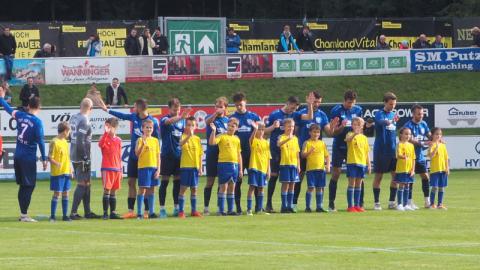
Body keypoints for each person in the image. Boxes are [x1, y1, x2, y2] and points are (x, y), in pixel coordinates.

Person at [103, 99, 160, 219]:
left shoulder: (153, 122)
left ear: (139, 107)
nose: (133, 108)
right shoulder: (134, 117)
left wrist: (158, 164)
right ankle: (131, 210)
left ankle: (147, 210)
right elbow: (122, 115)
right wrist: (107, 110)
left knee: (147, 185)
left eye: (134, 106)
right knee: (131, 182)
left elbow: (157, 141)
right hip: (134, 157)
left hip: (148, 160)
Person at [0, 90, 47, 222]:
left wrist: (1, 99)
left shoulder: (20, 115)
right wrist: (44, 159)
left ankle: (23, 213)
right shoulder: (37, 122)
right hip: (28, 158)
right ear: (39, 107)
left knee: (23, 186)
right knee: (29, 185)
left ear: (28, 106)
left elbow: (8, 109)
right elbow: (41, 143)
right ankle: (24, 215)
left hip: (18, 155)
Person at [293, 91, 337, 211]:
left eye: (318, 102)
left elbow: (329, 132)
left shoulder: (322, 115)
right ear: (308, 99)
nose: (316, 103)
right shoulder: (301, 113)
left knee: (318, 183)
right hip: (303, 152)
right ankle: (294, 204)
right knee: (299, 177)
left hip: (317, 155)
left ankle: (319, 206)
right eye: (314, 101)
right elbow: (294, 131)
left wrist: (333, 127)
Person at [230, 92, 272, 214]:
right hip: (238, 154)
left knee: (256, 183)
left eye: (241, 104)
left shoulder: (254, 116)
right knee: (238, 180)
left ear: (245, 102)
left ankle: (258, 208)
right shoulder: (233, 118)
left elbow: (263, 130)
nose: (239, 107)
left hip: (253, 155)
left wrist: (272, 127)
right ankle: (238, 208)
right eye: (237, 105)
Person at [328, 90, 364, 212]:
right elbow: (333, 132)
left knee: (358, 175)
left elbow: (360, 129)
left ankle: (359, 203)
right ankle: (331, 203)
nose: (351, 105)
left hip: (353, 148)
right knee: (336, 173)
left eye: (353, 103)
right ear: (344, 100)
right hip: (339, 146)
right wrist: (341, 127)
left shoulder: (358, 110)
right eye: (349, 103)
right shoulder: (336, 110)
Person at [265, 96, 299, 213]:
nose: (293, 110)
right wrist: (273, 127)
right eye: (292, 107)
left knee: (290, 181)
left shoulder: (294, 116)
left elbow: (308, 117)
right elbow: (265, 130)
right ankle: (269, 204)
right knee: (274, 176)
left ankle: (288, 205)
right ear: (287, 103)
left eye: (295, 109)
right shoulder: (274, 115)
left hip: (289, 154)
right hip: (276, 150)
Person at [159, 98, 191, 218]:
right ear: (169, 109)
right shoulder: (164, 119)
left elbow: (184, 134)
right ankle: (162, 209)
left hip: (178, 156)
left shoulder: (182, 121)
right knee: (165, 182)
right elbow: (169, 122)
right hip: (167, 155)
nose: (177, 112)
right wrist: (181, 116)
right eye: (174, 110)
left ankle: (176, 208)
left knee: (177, 182)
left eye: (178, 110)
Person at [69, 98, 100, 220]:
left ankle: (87, 211)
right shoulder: (85, 121)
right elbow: (81, 140)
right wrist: (85, 157)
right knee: (82, 183)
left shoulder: (73, 117)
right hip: (82, 155)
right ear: (90, 109)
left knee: (87, 182)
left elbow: (71, 136)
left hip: (74, 154)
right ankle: (73, 213)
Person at [209, 118, 242, 216]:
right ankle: (221, 210)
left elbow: (238, 154)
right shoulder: (222, 136)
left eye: (233, 126)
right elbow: (212, 143)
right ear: (226, 126)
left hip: (234, 165)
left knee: (232, 187)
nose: (230, 128)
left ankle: (230, 210)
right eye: (229, 125)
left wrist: (240, 169)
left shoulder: (237, 139)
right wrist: (214, 131)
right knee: (223, 187)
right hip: (224, 164)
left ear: (236, 128)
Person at [373, 92, 399, 210]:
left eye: (394, 104)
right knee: (379, 176)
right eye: (390, 104)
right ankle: (377, 203)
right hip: (381, 151)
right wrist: (387, 121)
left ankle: (392, 202)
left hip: (392, 151)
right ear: (385, 102)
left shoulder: (394, 114)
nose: (392, 106)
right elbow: (380, 122)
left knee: (396, 177)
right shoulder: (379, 114)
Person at [203, 97, 229, 215]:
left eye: (221, 107)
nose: (218, 109)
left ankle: (220, 207)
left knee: (222, 182)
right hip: (212, 154)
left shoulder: (228, 121)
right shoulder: (210, 117)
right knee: (210, 181)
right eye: (216, 106)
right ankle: (206, 207)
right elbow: (207, 122)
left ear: (225, 108)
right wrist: (215, 114)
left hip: (223, 155)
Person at [403, 105, 431, 209]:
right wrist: (423, 144)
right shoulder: (408, 125)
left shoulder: (424, 123)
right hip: (410, 156)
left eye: (422, 113)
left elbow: (429, 134)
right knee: (410, 178)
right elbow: (409, 139)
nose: (421, 115)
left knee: (425, 176)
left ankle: (427, 201)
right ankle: (409, 202)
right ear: (413, 114)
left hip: (420, 156)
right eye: (419, 114)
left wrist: (435, 139)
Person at [178, 116, 203, 218]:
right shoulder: (183, 136)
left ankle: (194, 211)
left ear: (196, 126)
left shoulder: (197, 139)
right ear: (185, 126)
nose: (190, 127)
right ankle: (181, 212)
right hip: (185, 167)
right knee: (183, 189)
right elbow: (181, 144)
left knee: (194, 189)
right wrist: (189, 136)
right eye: (188, 125)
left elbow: (200, 154)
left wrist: (200, 168)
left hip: (194, 167)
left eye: (192, 125)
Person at [135, 119, 161, 219]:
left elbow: (158, 156)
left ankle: (151, 212)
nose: (149, 129)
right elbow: (137, 154)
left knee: (152, 190)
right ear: (142, 128)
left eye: (150, 127)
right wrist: (143, 144)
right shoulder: (140, 140)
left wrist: (158, 169)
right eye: (147, 127)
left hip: (153, 168)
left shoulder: (155, 141)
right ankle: (139, 213)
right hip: (143, 168)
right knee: (142, 190)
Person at [99, 117, 123, 220]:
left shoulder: (118, 140)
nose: (106, 128)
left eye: (108, 126)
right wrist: (105, 133)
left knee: (114, 191)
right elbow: (100, 145)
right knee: (107, 190)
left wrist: (121, 169)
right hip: (107, 168)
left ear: (114, 127)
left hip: (116, 169)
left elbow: (119, 155)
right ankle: (105, 213)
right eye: (106, 126)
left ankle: (113, 212)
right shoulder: (104, 138)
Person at [301, 124, 330, 212]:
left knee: (320, 187)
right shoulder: (307, 143)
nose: (316, 134)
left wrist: (328, 165)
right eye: (314, 132)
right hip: (311, 170)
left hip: (321, 169)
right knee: (311, 187)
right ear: (310, 133)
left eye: (318, 132)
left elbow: (327, 156)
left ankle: (319, 207)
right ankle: (308, 207)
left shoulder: (322, 143)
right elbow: (303, 155)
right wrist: (309, 151)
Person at [345, 117, 371, 212]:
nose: (357, 127)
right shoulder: (350, 134)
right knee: (351, 183)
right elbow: (347, 140)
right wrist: (355, 134)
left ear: (362, 126)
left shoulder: (364, 138)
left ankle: (357, 205)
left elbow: (366, 152)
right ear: (352, 125)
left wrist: (369, 165)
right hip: (352, 162)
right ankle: (350, 206)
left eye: (359, 125)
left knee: (359, 184)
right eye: (355, 124)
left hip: (362, 163)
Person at [48, 122, 73, 222]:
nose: (69, 134)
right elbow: (50, 157)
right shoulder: (54, 142)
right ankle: (52, 216)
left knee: (66, 193)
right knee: (57, 193)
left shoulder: (65, 142)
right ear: (65, 131)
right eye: (69, 132)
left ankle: (65, 216)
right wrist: (56, 163)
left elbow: (67, 158)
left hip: (66, 171)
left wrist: (70, 169)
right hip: (58, 173)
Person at [246, 121, 270, 215]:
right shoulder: (254, 140)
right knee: (252, 187)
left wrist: (268, 170)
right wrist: (255, 129)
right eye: (259, 129)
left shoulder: (266, 143)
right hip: (254, 167)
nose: (261, 131)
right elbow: (250, 140)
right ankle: (249, 209)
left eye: (262, 130)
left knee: (261, 188)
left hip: (263, 169)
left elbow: (268, 157)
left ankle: (259, 209)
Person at [277, 118, 300, 213]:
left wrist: (298, 165)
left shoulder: (295, 138)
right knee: (285, 184)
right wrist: (287, 139)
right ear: (284, 127)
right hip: (285, 164)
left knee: (292, 185)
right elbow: (278, 144)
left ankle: (290, 206)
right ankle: (284, 206)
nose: (291, 128)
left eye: (292, 126)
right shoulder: (281, 137)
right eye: (289, 126)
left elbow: (297, 153)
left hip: (293, 165)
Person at [394, 127, 416, 211]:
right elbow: (398, 155)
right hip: (401, 169)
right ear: (401, 135)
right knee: (401, 185)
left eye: (409, 134)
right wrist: (403, 157)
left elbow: (414, 158)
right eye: (406, 134)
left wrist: (413, 169)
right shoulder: (399, 144)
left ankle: (406, 204)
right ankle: (399, 204)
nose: (408, 136)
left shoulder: (411, 145)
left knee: (407, 185)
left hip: (409, 169)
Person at [428, 128, 449, 210]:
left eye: (440, 134)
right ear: (432, 135)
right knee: (435, 187)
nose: (438, 136)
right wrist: (436, 148)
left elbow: (446, 158)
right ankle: (432, 204)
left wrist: (447, 168)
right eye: (436, 134)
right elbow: (431, 156)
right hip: (435, 170)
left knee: (441, 187)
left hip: (443, 169)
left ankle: (440, 204)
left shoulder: (443, 145)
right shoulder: (431, 145)